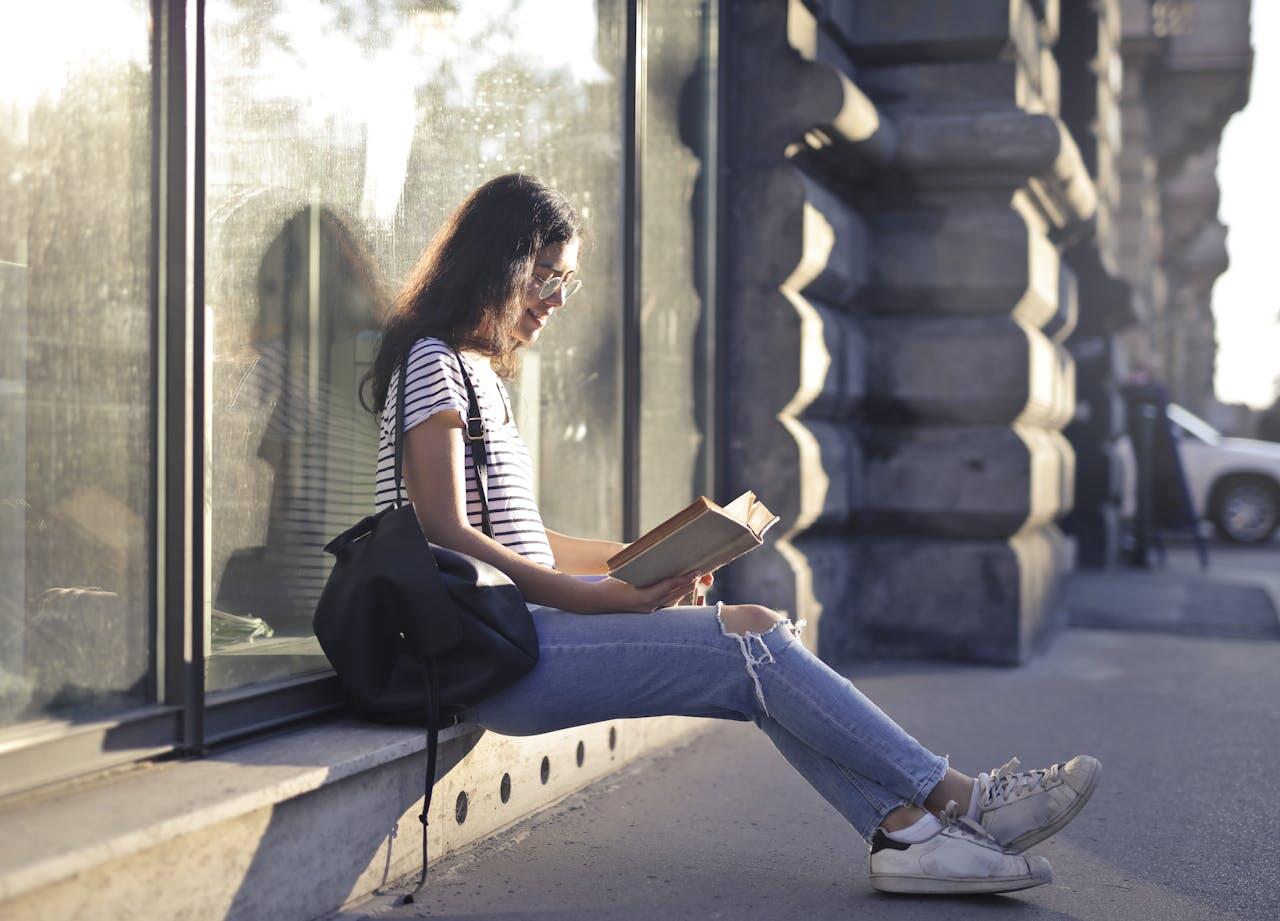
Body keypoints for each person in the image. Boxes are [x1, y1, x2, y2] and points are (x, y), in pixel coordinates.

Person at [363, 173, 1101, 896]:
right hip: (494, 659)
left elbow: (524, 539)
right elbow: (450, 538)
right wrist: (613, 600)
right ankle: (964, 800)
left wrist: (643, 558)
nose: (557, 300)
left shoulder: (477, 372)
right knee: (751, 637)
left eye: (567, 280)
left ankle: (908, 835)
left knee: (757, 662)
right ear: (499, 265)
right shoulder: (433, 363)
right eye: (545, 277)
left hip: (524, 636)